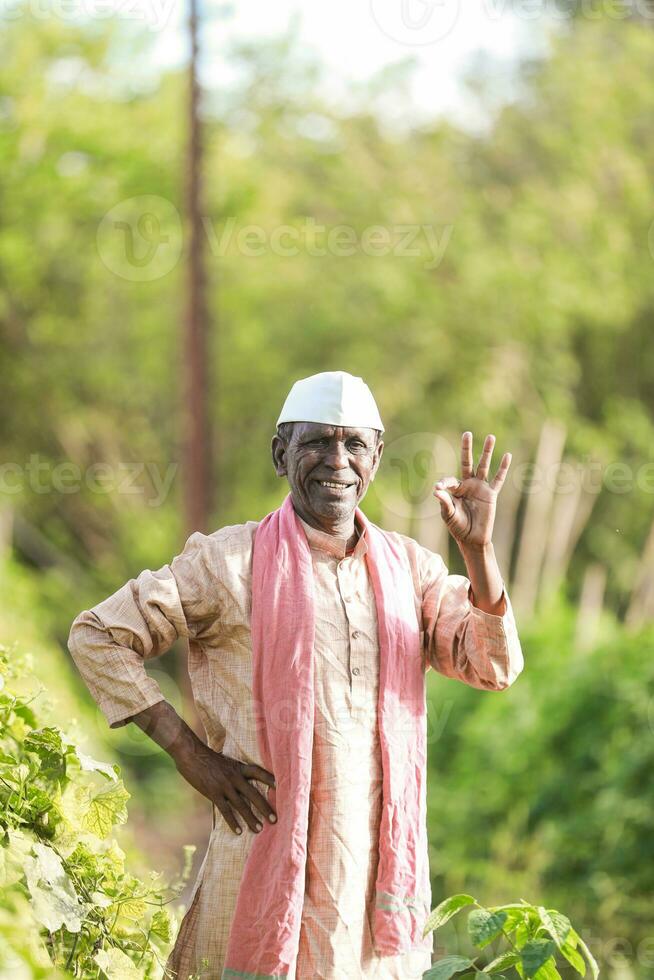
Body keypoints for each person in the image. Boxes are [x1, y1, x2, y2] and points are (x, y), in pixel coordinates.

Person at [67, 371, 524, 980]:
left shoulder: (412, 571)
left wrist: (479, 552)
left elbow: (491, 664)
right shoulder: (228, 562)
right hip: (262, 860)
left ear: (377, 458)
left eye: (354, 445)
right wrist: (187, 752)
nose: (337, 461)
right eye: (316, 443)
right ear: (282, 453)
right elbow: (98, 635)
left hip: (375, 886)